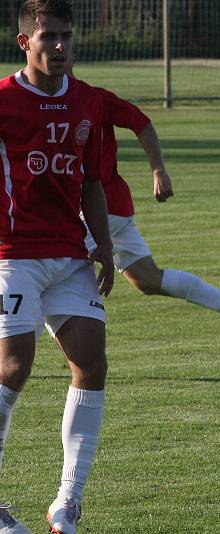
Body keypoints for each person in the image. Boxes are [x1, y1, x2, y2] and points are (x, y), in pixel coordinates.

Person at [0, 1, 114, 533]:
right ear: (25, 42)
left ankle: (67, 501)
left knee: (90, 362)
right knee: (13, 367)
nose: (61, 47)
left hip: (70, 253)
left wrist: (106, 247)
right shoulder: (2, 100)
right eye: (49, 37)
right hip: (11, 252)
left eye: (67, 36)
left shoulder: (88, 101)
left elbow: (91, 181)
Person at [67, 60, 220, 354]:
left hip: (102, 206)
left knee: (52, 267)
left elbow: (141, 122)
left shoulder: (95, 99)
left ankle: (18, 352)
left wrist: (158, 171)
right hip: (105, 207)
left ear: (72, 60)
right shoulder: (39, 106)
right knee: (147, 279)